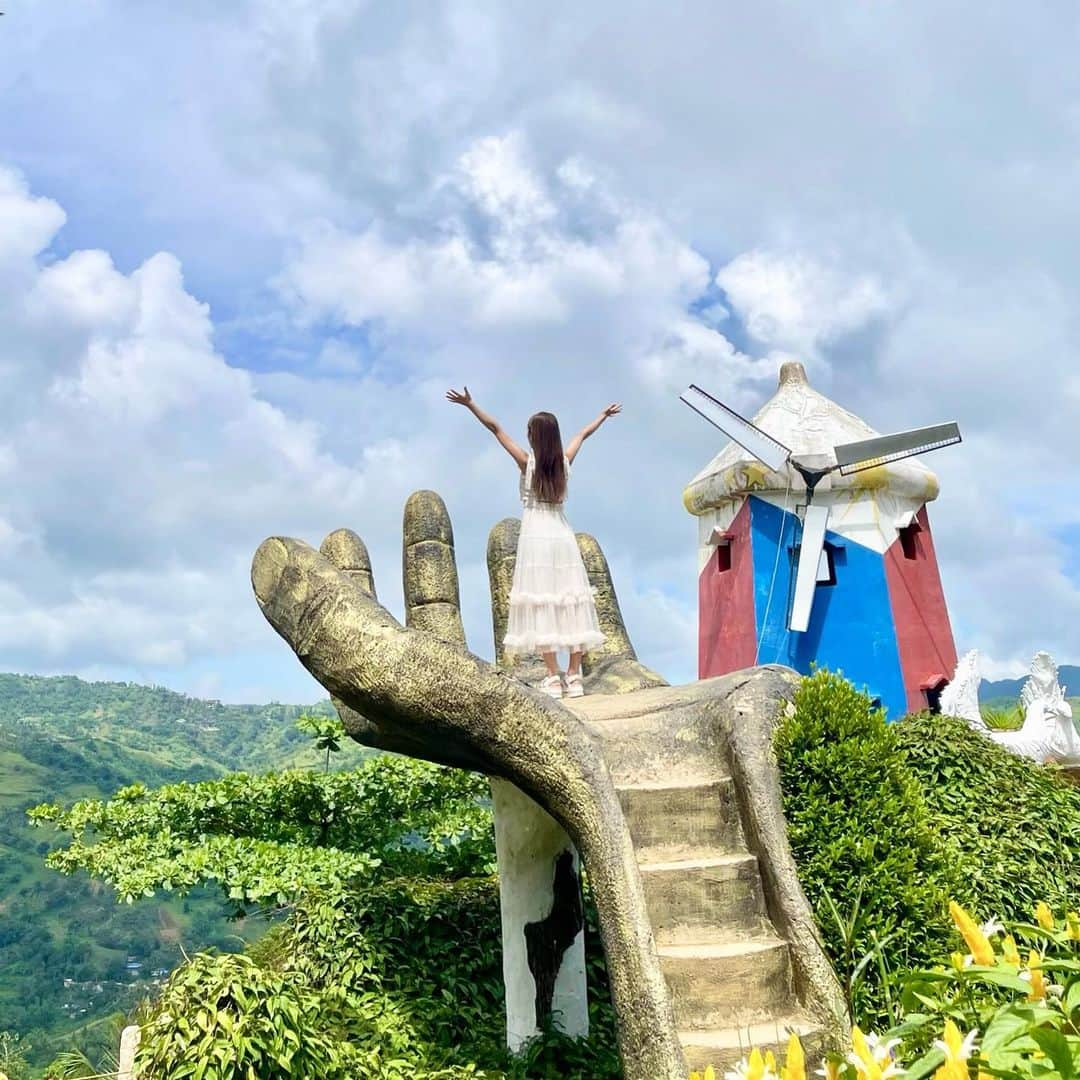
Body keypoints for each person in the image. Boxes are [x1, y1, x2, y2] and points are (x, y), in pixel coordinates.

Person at [446, 386, 620, 699]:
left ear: (534, 436)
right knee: (572, 601)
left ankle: (553, 676)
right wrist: (603, 417)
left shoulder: (526, 463)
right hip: (561, 534)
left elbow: (495, 428)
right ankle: (574, 676)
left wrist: (471, 405)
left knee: (542, 603)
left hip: (536, 539)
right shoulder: (565, 462)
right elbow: (583, 433)